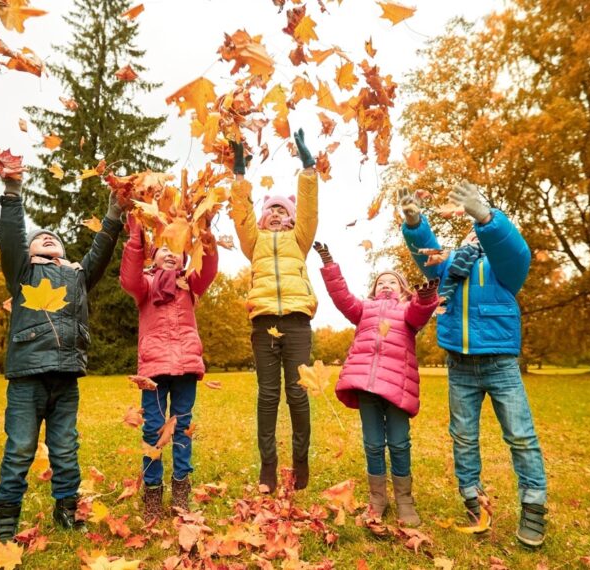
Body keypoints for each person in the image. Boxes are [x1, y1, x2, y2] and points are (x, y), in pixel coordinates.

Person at [400, 182, 548, 546]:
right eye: (469, 228)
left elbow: (513, 248)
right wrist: (415, 222)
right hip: (460, 366)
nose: (472, 233)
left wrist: (485, 217)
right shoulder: (450, 266)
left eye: (478, 228)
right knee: (464, 438)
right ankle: (473, 499)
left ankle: (533, 507)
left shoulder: (505, 269)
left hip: (500, 365)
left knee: (520, 436)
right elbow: (425, 254)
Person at [0, 174, 123, 542]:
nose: (47, 237)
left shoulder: (78, 277)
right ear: (29, 251)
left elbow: (101, 251)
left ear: (64, 252)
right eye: (39, 238)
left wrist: (114, 211)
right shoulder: (22, 271)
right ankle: (5, 520)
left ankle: (67, 509)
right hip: (27, 376)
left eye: (54, 238)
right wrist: (13, 193)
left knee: (66, 448)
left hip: (65, 377)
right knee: (19, 448)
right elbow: (11, 238)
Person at [313, 242, 439, 525]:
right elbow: (342, 297)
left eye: (392, 282)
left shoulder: (407, 311)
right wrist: (329, 263)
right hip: (367, 386)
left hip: (396, 388)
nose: (385, 285)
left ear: (403, 289)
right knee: (372, 444)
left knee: (398, 443)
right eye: (380, 282)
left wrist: (426, 297)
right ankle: (377, 498)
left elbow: (421, 311)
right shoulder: (364, 310)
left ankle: (405, 500)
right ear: (372, 290)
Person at [228, 129, 318, 493]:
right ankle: (268, 465)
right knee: (268, 394)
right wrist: (239, 177)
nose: (277, 214)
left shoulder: (300, 239)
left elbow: (310, 210)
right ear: (264, 219)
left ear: (292, 218)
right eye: (272, 210)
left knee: (297, 393)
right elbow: (241, 217)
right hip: (264, 321)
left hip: (297, 321)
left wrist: (308, 168)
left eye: (284, 210)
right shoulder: (255, 242)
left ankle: (300, 461)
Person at [120, 214, 218, 520]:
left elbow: (209, 270)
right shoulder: (145, 286)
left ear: (185, 257)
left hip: (187, 365)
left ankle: (180, 489)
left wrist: (205, 233)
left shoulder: (189, 284)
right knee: (153, 427)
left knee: (182, 427)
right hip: (154, 368)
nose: (170, 252)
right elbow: (129, 277)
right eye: (163, 247)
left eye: (176, 247)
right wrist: (137, 234)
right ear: (153, 255)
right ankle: (152, 492)